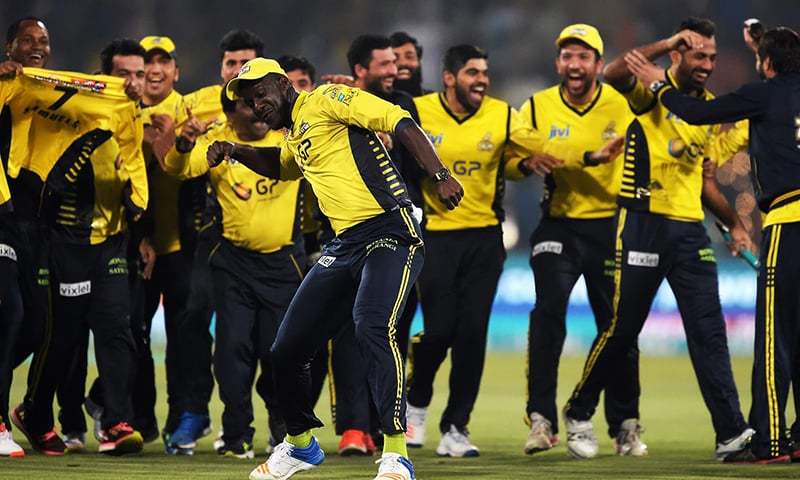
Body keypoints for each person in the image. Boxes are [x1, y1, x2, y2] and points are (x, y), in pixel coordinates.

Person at [210, 57, 463, 480]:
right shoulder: (293, 133)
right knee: (285, 350)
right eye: (250, 102)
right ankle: (300, 444)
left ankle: (396, 453)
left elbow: (399, 120)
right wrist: (236, 150)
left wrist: (438, 173)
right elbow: (283, 166)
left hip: (391, 230)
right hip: (346, 243)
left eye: (260, 94)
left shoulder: (326, 99)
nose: (257, 106)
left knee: (370, 325)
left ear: (282, 82)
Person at [404, 43, 622, 458]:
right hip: (435, 236)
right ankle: (416, 402)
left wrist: (576, 157)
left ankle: (456, 427)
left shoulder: (503, 115)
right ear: (449, 78)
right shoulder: (419, 111)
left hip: (485, 238)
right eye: (472, 72)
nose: (481, 79)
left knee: (471, 335)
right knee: (439, 331)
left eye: (484, 72)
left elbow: (538, 148)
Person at [563, 17, 754, 460]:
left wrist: (734, 224)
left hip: (689, 232)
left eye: (712, 57)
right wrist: (666, 41)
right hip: (642, 224)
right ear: (678, 55)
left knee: (709, 333)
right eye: (698, 55)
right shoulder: (650, 89)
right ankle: (578, 410)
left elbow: (706, 182)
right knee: (622, 330)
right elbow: (610, 74)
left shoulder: (706, 109)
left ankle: (730, 433)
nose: (706, 64)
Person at [626, 25, 800, 464]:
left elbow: (698, 114)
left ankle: (771, 441)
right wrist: (765, 40)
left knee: (774, 338)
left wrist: (659, 84)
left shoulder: (765, 93)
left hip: (789, 220)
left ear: (768, 65)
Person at [6, 54, 147, 456]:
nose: (135, 84)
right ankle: (33, 410)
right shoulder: (67, 118)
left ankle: (116, 422)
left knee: (119, 330)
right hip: (66, 247)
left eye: (139, 75)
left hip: (112, 246)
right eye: (124, 76)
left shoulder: (135, 122)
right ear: (100, 80)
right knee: (62, 339)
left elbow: (138, 179)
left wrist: (137, 201)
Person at [515, 23, 642, 457]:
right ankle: (541, 419)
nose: (574, 64)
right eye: (567, 56)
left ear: (599, 64)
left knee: (618, 326)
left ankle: (625, 423)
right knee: (548, 312)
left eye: (583, 56)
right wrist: (527, 161)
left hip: (610, 227)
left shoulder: (621, 105)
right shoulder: (536, 106)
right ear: (557, 63)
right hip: (558, 224)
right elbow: (515, 157)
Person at [165, 88, 305, 460]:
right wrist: (182, 145)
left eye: (261, 103)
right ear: (230, 113)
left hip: (282, 263)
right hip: (234, 265)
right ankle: (237, 432)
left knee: (278, 352)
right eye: (248, 105)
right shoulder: (215, 141)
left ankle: (281, 425)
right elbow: (179, 170)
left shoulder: (288, 136)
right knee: (231, 352)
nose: (259, 110)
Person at [168, 28, 265, 456]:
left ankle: (271, 423)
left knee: (258, 338)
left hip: (269, 238)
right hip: (206, 233)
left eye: (245, 65)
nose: (236, 72)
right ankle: (192, 412)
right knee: (193, 322)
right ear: (220, 67)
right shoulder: (194, 104)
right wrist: (182, 138)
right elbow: (168, 159)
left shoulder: (277, 108)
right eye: (230, 64)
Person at [389, 32, 430, 97]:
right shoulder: (377, 103)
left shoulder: (433, 102)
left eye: (409, 57)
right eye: (395, 58)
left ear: (419, 61)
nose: (403, 63)